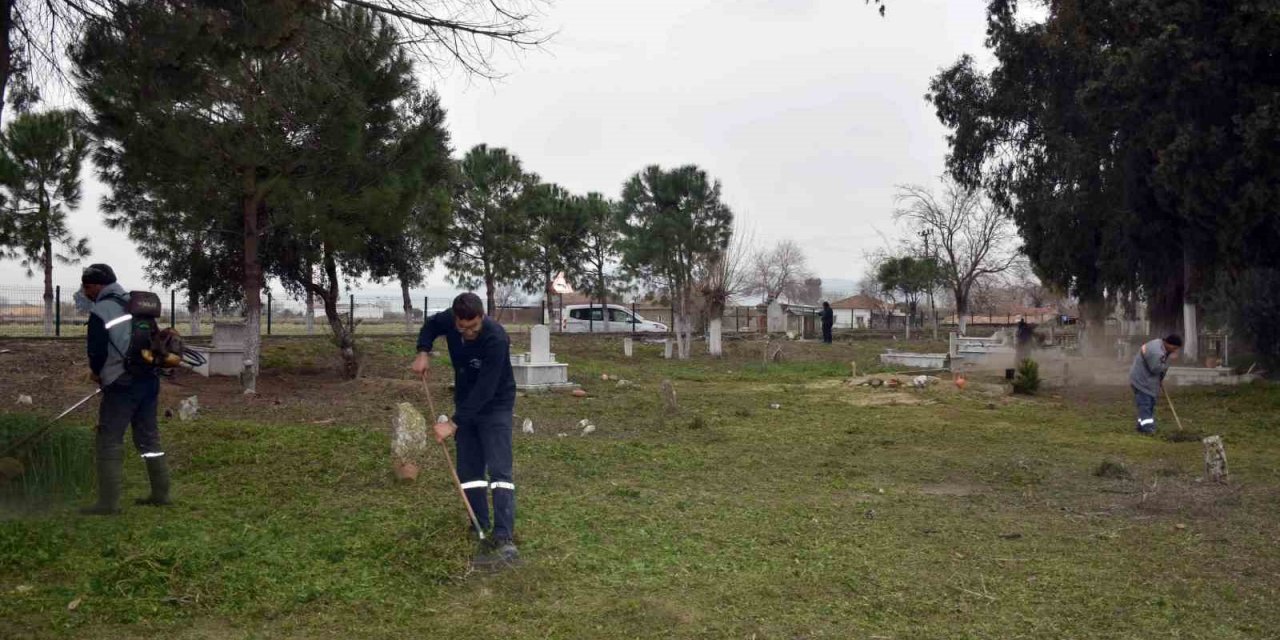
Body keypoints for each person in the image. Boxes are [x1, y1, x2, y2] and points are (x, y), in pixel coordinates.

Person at [412, 293, 520, 569]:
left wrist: (453, 423)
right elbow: (430, 326)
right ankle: (479, 524)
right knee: (469, 471)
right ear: (456, 319)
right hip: (465, 402)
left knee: (499, 471)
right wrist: (423, 351)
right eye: (463, 328)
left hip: (495, 405)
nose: (469, 332)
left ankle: (504, 535)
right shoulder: (449, 320)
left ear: (482, 316)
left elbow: (486, 388)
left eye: (474, 327)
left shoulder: (496, 338)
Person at [79, 264, 171, 515]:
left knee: (109, 440)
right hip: (149, 379)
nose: (86, 292)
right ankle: (161, 493)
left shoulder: (101, 309)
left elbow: (96, 351)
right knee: (149, 437)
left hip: (121, 383)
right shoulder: (137, 303)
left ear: (97, 285)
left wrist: (98, 373)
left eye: (87, 287)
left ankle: (108, 504)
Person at [1129, 334, 1182, 435]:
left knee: (1149, 404)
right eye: (1174, 348)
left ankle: (1141, 426)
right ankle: (1148, 429)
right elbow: (1155, 368)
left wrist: (1160, 378)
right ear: (1168, 343)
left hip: (1146, 379)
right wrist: (1168, 362)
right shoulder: (1156, 352)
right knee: (1145, 404)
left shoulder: (1159, 345)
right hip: (1142, 380)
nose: (1175, 351)